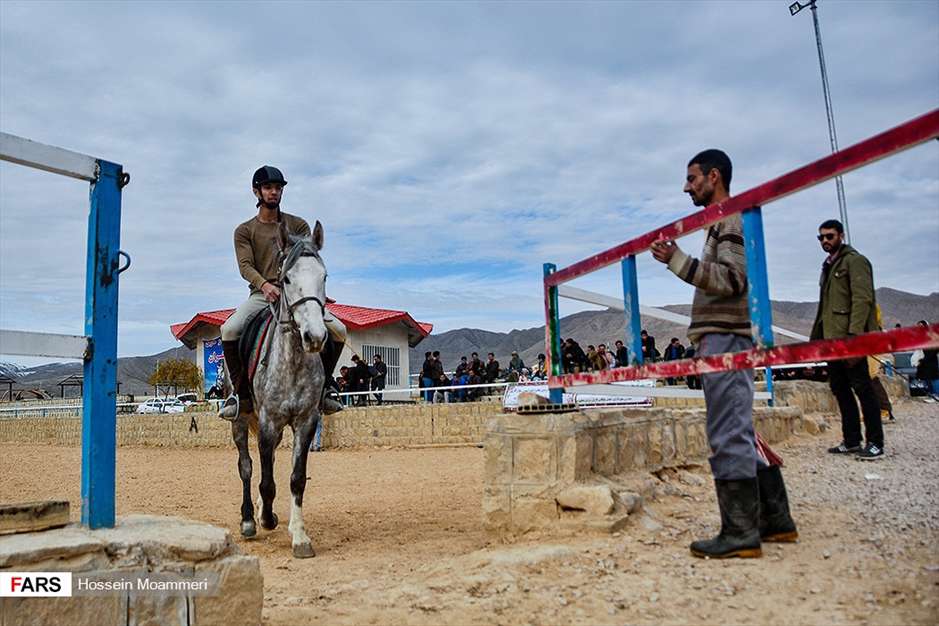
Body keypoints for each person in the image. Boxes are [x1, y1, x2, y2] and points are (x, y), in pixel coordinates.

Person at [651, 148, 796, 559]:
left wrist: (678, 261)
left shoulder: (729, 218)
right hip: (724, 335)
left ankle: (740, 533)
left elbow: (733, 280)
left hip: (725, 336)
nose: (686, 187)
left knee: (727, 431)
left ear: (714, 176)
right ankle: (776, 521)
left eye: (692, 178)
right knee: (738, 426)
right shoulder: (719, 222)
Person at [218, 165, 345, 420]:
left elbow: (309, 261)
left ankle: (326, 387)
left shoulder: (298, 225)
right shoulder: (244, 231)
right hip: (261, 295)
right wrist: (265, 285)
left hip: (296, 295)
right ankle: (240, 394)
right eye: (268, 188)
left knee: (340, 330)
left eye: (278, 188)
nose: (274, 192)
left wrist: (311, 291)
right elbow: (245, 266)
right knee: (229, 330)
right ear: (257, 192)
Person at [811, 219, 884, 460]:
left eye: (829, 236)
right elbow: (825, 307)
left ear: (841, 235)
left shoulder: (856, 261)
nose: (825, 241)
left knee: (863, 388)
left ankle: (875, 442)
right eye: (821, 237)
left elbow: (862, 300)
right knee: (840, 389)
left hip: (850, 339)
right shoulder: (828, 266)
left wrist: (854, 338)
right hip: (831, 341)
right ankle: (852, 439)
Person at [914, 320, 939, 398]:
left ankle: (936, 394)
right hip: (924, 360)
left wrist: (928, 357)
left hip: (931, 359)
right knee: (926, 378)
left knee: (933, 378)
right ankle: (931, 394)